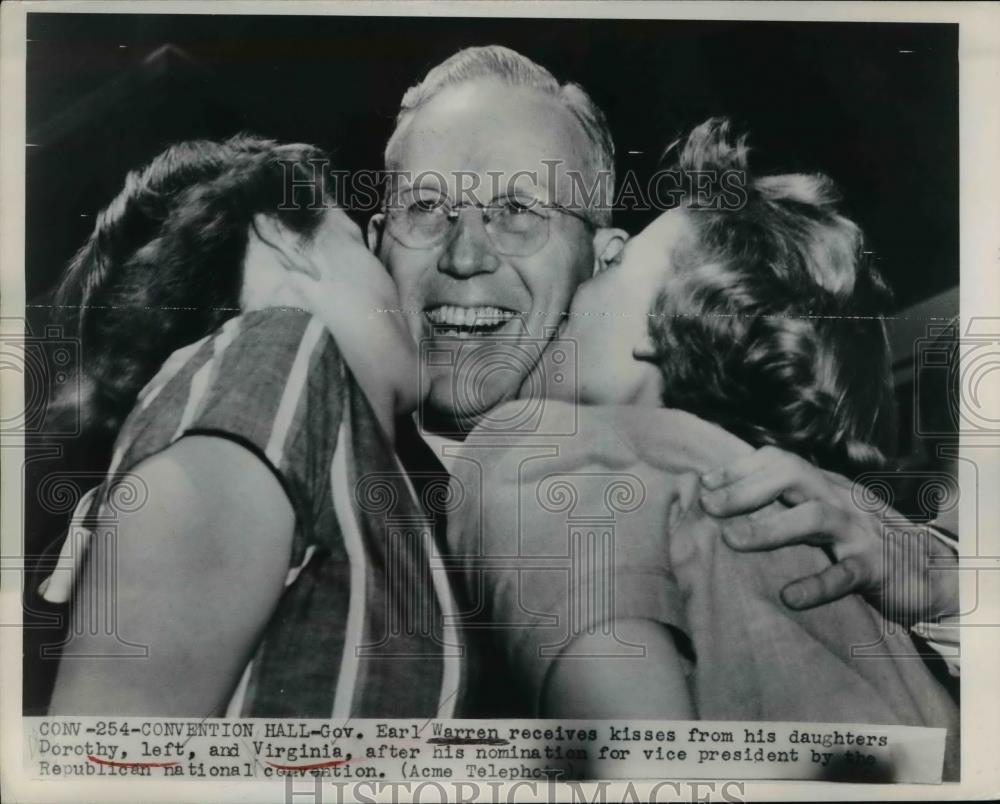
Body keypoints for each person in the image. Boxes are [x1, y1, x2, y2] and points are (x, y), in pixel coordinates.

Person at [447, 119, 958, 775]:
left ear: (671, 324)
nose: (590, 268)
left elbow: (637, 772)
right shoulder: (827, 535)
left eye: (616, 264)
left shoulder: (540, 437)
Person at [41, 135, 462, 717]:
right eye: (355, 243)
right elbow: (106, 768)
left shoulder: (277, 422)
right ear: (284, 236)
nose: (383, 272)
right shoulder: (280, 354)